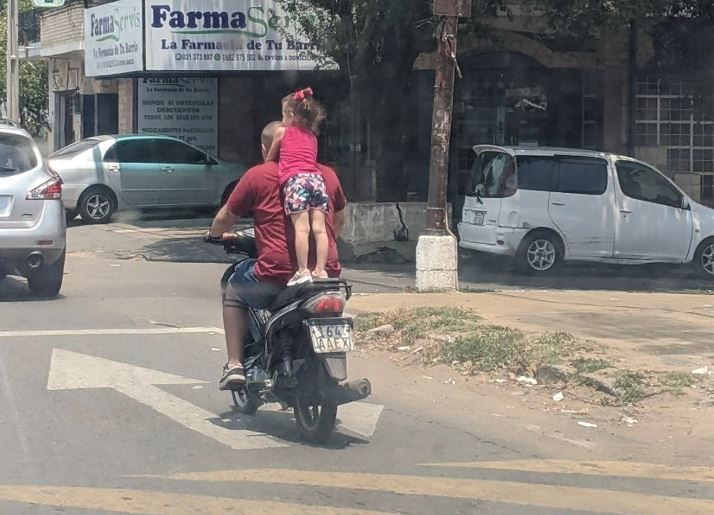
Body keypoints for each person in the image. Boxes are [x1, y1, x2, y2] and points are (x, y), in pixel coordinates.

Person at [207, 121, 347, 390]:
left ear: (264, 148)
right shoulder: (326, 175)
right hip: (326, 276)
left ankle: (235, 364)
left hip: (276, 275)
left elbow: (225, 217)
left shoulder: (258, 175)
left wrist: (214, 235)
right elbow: (339, 221)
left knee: (233, 289)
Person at [264, 87, 329, 286]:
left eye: (283, 114)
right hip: (316, 181)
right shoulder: (312, 136)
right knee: (319, 230)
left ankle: (302, 271)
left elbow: (270, 158)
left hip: (296, 181)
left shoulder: (282, 132)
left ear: (291, 116)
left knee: (302, 230)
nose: (282, 119)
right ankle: (321, 270)